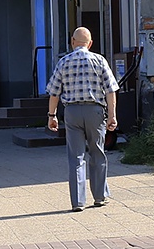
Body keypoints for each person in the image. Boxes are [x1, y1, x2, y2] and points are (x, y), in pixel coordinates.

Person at [46, 27, 119, 212]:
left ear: (72, 41)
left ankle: (78, 201)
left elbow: (54, 92)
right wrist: (112, 116)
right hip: (95, 111)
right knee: (97, 153)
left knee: (76, 157)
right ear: (90, 43)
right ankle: (100, 197)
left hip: (72, 112)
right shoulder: (99, 60)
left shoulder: (64, 62)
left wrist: (52, 116)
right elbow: (111, 90)